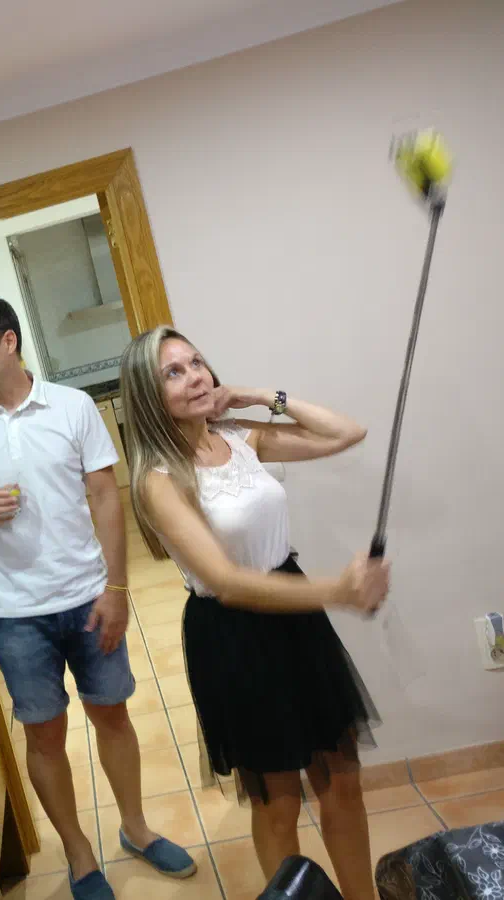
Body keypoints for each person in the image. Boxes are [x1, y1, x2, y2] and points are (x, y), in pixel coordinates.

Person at [0, 296, 196, 900]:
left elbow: (106, 497)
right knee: (44, 737)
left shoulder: (73, 407)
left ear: (8, 342)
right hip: (15, 615)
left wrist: (117, 587)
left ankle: (136, 829)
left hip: (87, 599)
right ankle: (79, 856)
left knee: (113, 717)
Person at [118, 326, 389, 900]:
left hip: (297, 618)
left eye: (197, 363)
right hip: (235, 637)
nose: (195, 376)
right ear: (147, 394)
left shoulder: (240, 436)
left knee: (342, 784)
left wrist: (260, 395)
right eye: (173, 372)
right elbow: (225, 582)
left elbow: (347, 431)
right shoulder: (157, 480)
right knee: (278, 804)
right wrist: (339, 590)